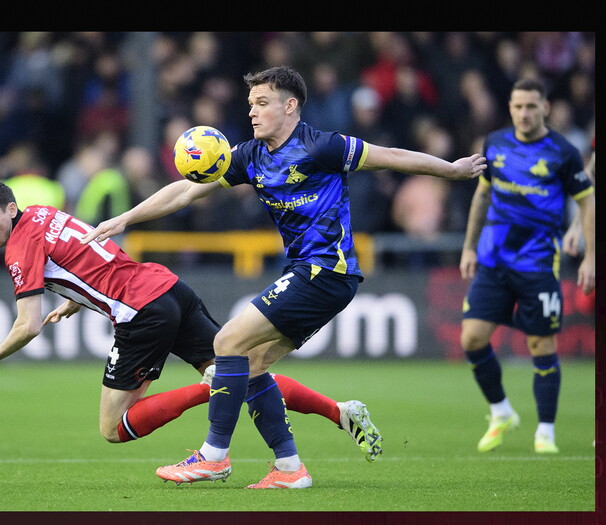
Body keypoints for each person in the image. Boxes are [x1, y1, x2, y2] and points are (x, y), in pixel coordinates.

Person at [82, 65, 486, 489]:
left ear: (290, 106)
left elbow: (393, 157)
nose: (252, 112)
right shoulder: (248, 155)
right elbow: (185, 190)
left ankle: (214, 456)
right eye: (250, 104)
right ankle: (290, 468)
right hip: (308, 273)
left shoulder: (322, 146)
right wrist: (126, 218)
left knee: (227, 342)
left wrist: (452, 169)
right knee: (251, 365)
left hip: (326, 270)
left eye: (262, 103)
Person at [0, 177, 381, 458]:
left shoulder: (19, 247)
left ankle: (210, 388)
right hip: (168, 287)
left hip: (140, 310)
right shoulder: (41, 213)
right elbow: (84, 253)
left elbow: (28, 324)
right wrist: (77, 296)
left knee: (113, 427)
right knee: (248, 370)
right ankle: (339, 412)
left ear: (10, 209)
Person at [459, 78, 595, 455]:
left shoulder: (563, 152)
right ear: (510, 108)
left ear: (545, 108)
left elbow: (586, 202)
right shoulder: (495, 143)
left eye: (531, 106)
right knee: (471, 338)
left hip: (538, 265)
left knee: (541, 345)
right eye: (518, 106)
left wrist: (591, 255)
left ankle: (546, 433)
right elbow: (482, 195)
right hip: (494, 260)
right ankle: (501, 412)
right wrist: (469, 247)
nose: (524, 113)